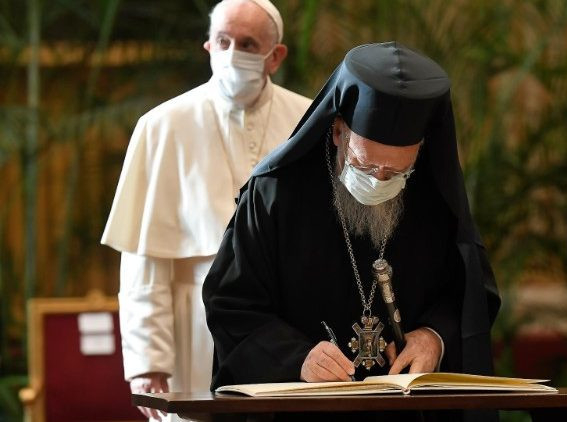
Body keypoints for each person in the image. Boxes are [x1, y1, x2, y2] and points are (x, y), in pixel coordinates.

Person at [203, 41, 500, 422]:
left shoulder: (436, 201)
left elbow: (469, 293)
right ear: (338, 131)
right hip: (302, 412)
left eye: (396, 173)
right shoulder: (275, 193)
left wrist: (434, 336)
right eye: (365, 165)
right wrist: (297, 358)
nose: (379, 181)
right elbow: (231, 303)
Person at [101, 0, 311, 420]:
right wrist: (147, 360)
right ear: (208, 46)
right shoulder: (162, 125)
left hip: (287, 328)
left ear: (275, 56)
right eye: (223, 41)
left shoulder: (308, 120)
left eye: (247, 44)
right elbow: (144, 259)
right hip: (192, 328)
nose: (233, 53)